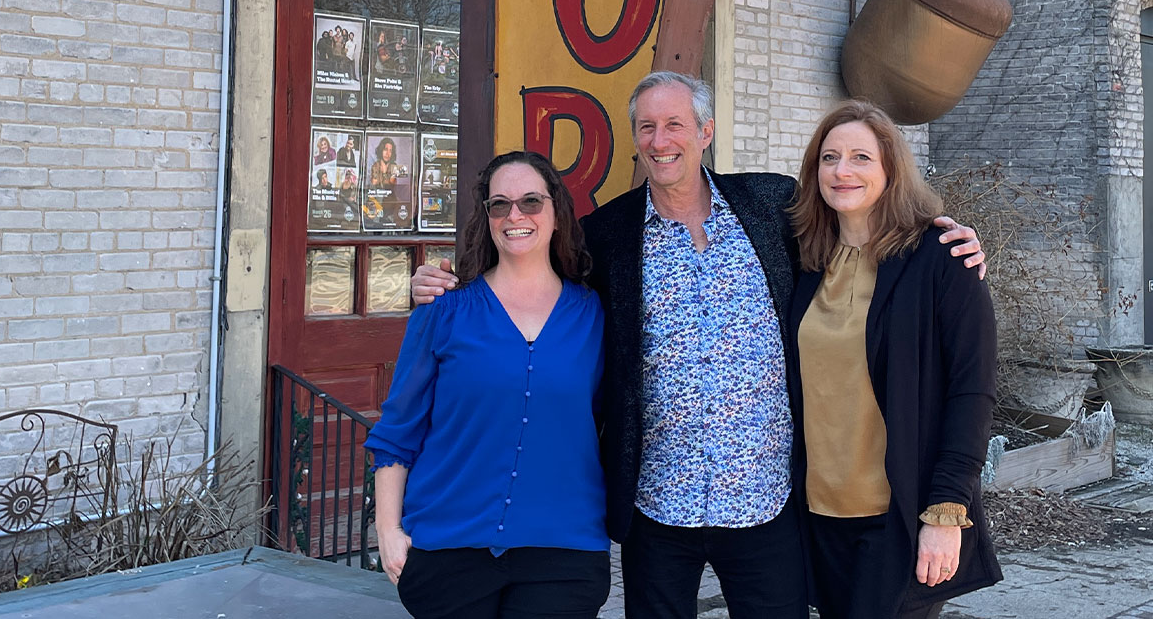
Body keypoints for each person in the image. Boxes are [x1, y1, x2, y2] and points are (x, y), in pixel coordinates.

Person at [411, 71, 986, 619]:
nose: (660, 142)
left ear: (706, 132)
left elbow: (857, 223)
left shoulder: (771, 206)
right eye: (647, 128)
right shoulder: (608, 233)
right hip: (658, 504)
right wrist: (453, 283)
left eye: (676, 125)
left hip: (767, 500)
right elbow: (536, 276)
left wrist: (944, 233)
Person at [365, 151, 611, 619]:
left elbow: (604, 419)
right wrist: (389, 531)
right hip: (449, 547)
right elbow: (398, 431)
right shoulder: (443, 309)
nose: (515, 215)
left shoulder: (594, 314)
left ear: (557, 211)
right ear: (488, 217)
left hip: (563, 551)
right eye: (500, 204)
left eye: (530, 201)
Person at [786, 99, 1001, 619]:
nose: (842, 171)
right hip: (817, 515)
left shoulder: (940, 258)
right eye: (830, 157)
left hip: (900, 514)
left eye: (861, 157)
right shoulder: (802, 258)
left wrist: (946, 514)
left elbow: (971, 392)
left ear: (891, 169)